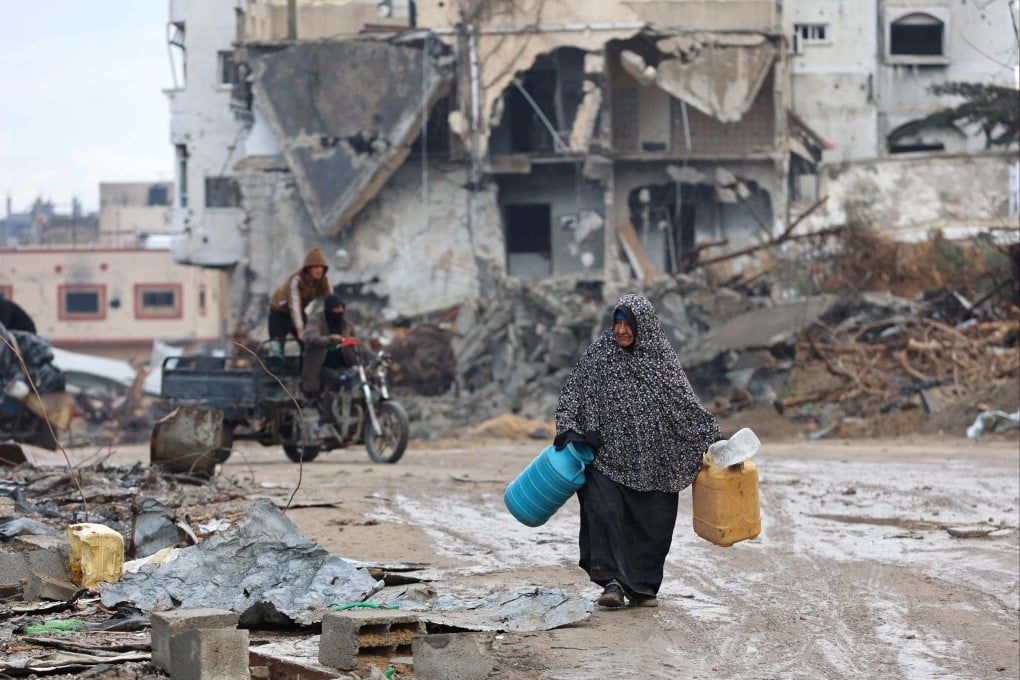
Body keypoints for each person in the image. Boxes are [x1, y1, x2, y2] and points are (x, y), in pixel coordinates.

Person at [554, 292, 722, 609]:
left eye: (627, 324)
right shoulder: (599, 355)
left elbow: (685, 406)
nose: (620, 331)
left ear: (642, 326)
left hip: (655, 462)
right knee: (604, 514)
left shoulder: (661, 360)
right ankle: (613, 584)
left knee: (653, 524)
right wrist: (571, 428)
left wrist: (713, 440)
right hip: (607, 460)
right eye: (616, 323)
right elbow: (572, 392)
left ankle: (642, 586)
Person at [267, 247, 331, 346]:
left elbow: (330, 300)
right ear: (308, 268)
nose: (319, 270)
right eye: (316, 267)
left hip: (299, 312)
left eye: (321, 267)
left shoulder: (323, 281)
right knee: (276, 347)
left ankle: (306, 360)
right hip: (279, 314)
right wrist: (300, 330)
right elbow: (295, 305)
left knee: (308, 344)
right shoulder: (296, 279)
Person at [300, 294, 357, 398]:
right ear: (329, 308)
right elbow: (310, 337)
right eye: (336, 308)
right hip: (321, 365)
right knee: (335, 383)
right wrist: (329, 339)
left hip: (344, 365)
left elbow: (357, 342)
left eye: (341, 307)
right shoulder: (316, 320)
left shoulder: (346, 324)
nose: (340, 311)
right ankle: (329, 410)